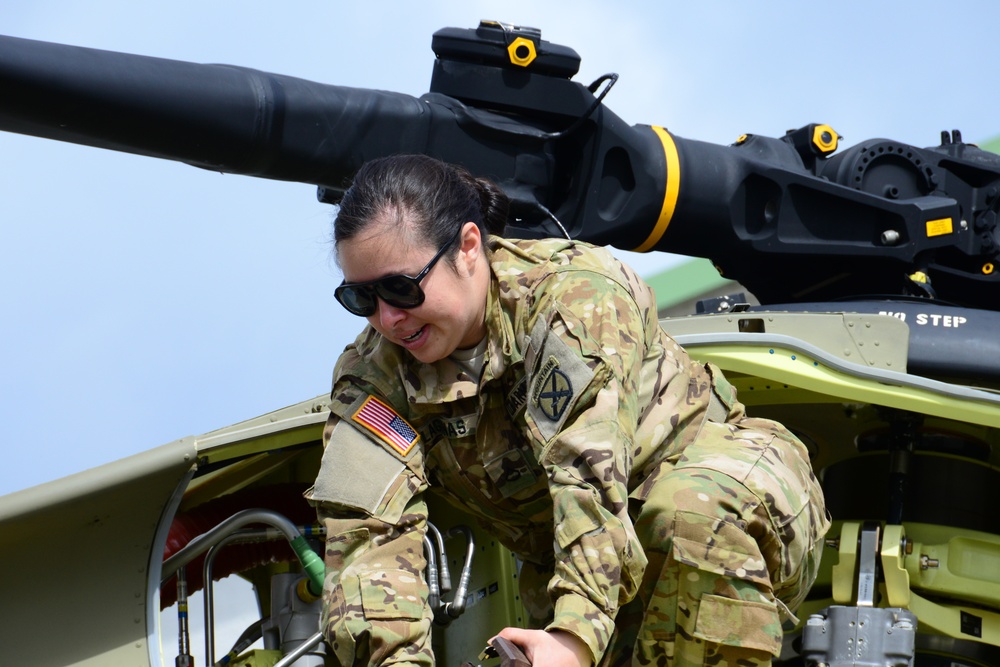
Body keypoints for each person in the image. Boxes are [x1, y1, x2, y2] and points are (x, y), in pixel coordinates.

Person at [306, 154, 830, 666]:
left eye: (401, 288)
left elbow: (588, 478)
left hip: (728, 500)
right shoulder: (374, 375)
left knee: (685, 511)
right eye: (363, 299)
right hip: (586, 571)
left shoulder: (574, 300)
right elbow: (365, 539)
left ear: (468, 248)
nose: (389, 318)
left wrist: (575, 638)